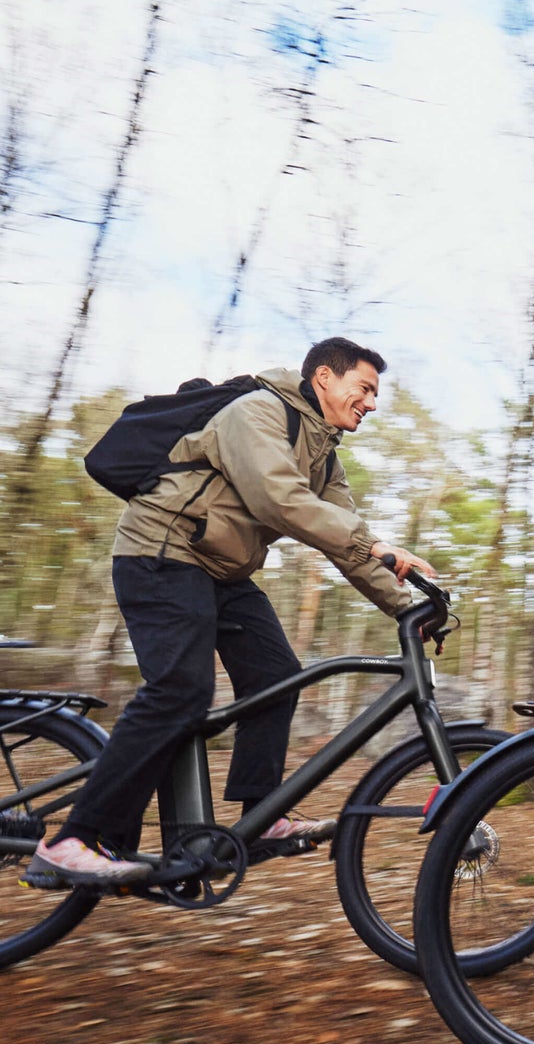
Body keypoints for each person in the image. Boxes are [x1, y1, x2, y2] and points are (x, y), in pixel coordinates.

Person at [24, 337, 433, 889]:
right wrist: (376, 543)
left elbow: (344, 543)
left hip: (222, 571)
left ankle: (261, 817)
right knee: (180, 690)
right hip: (163, 552)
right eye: (364, 388)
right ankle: (75, 839)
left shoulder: (323, 453)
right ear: (323, 379)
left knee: (277, 677)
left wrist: (407, 606)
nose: (372, 403)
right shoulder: (259, 411)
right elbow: (279, 500)